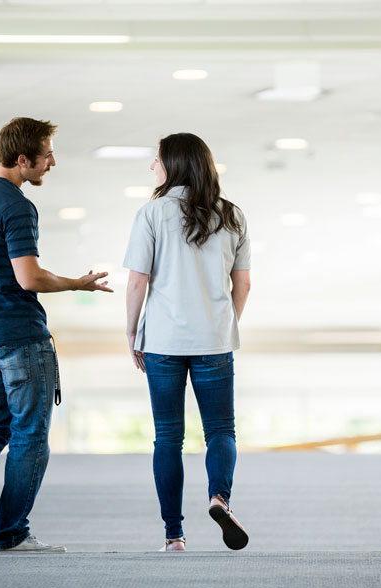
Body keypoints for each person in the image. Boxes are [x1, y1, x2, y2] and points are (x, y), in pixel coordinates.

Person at [0, 117, 113, 554]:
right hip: (19, 336)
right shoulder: (16, 205)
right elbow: (29, 277)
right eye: (46, 155)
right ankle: (12, 533)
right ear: (23, 160)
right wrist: (78, 284)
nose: (52, 162)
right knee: (30, 435)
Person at [123, 133, 251, 552]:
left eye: (156, 159)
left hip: (162, 339)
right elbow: (243, 283)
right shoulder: (232, 216)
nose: (152, 167)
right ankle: (219, 498)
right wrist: (223, 323)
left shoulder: (152, 213)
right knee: (220, 430)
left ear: (174, 164)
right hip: (213, 338)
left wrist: (131, 330)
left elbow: (138, 280)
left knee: (167, 437)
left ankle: (174, 535)